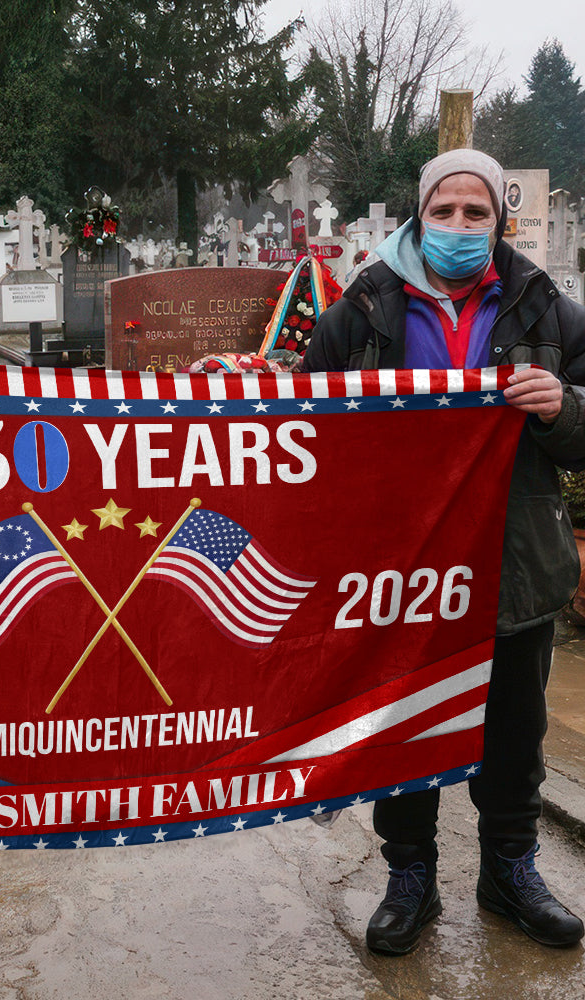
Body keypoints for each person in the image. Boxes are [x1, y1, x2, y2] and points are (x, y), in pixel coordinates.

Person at [304, 149, 585, 956]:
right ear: (418, 213)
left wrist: (562, 405)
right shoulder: (359, 311)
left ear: (501, 221)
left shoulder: (547, 312)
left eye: (477, 214)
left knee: (514, 732)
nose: (459, 228)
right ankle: (410, 876)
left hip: (514, 561)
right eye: (444, 211)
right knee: (406, 731)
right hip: (401, 572)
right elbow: (310, 427)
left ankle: (510, 870)